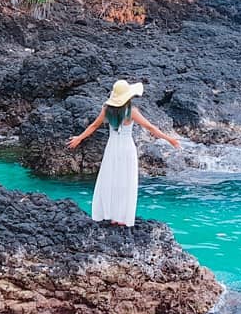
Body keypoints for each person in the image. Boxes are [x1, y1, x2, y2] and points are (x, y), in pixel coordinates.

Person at [66, 79, 181, 227]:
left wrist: (79, 138)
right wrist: (169, 139)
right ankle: (121, 217)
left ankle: (109, 214)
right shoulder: (132, 112)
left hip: (112, 147)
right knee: (125, 182)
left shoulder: (107, 109)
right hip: (126, 148)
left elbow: (94, 125)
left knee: (111, 179)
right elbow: (150, 127)